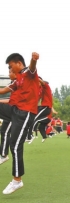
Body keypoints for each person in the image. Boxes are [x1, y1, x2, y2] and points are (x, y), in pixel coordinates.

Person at [0, 52, 40, 194]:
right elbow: (3, 91)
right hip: (15, 110)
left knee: (15, 145)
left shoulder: (29, 73)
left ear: (18, 63)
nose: (10, 70)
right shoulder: (18, 80)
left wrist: (33, 59)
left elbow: (32, 67)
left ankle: (17, 180)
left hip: (25, 113)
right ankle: (3, 155)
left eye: (11, 67)